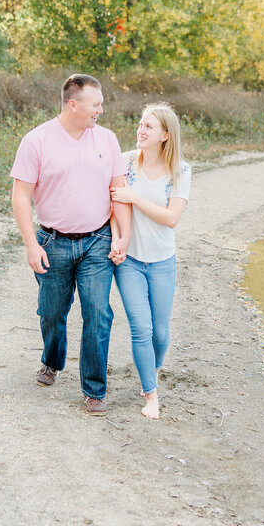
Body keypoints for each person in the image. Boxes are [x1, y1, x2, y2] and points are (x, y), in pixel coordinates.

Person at [10, 74, 131, 416]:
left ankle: (94, 389)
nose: (101, 110)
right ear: (73, 104)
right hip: (53, 241)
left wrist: (123, 236)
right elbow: (20, 196)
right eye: (96, 104)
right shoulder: (37, 141)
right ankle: (52, 359)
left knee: (98, 312)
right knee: (51, 313)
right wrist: (31, 245)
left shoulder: (107, 140)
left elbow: (118, 192)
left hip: (97, 242)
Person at [109, 103, 190, 420]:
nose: (140, 131)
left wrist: (135, 198)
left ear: (165, 135)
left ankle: (150, 370)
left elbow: (171, 218)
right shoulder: (126, 162)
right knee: (141, 329)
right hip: (129, 262)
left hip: (162, 262)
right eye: (140, 124)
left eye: (148, 127)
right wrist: (118, 237)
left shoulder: (180, 170)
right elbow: (114, 205)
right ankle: (151, 395)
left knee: (160, 333)